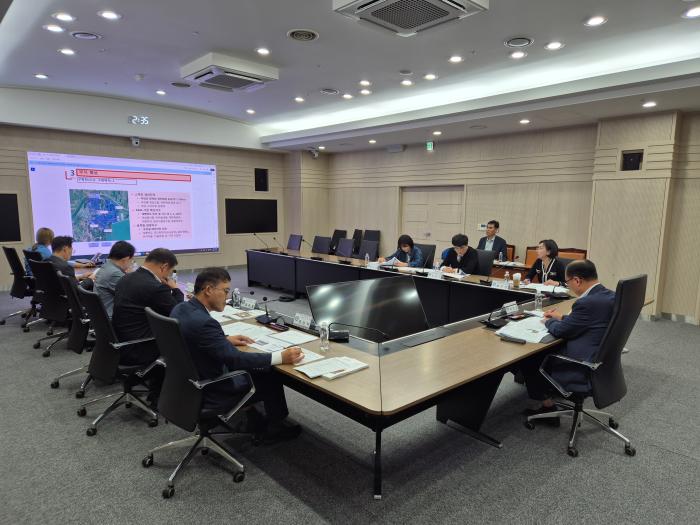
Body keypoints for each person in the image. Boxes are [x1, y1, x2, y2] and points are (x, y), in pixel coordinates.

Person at [171, 267, 304, 442]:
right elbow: (236, 359)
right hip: (212, 389)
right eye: (225, 291)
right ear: (208, 290)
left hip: (186, 384)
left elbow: (195, 337)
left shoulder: (181, 308)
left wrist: (223, 339)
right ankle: (274, 429)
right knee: (270, 374)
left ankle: (253, 417)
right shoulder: (205, 323)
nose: (227, 297)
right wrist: (281, 357)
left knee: (258, 368)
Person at [521, 260, 615, 421]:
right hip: (602, 361)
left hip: (581, 363)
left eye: (568, 282)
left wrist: (548, 321)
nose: (568, 286)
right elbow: (588, 320)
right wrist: (562, 317)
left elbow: (561, 331)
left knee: (528, 357)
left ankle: (547, 406)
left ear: (577, 280)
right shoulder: (609, 295)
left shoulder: (585, 302)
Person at [112, 248, 184, 367]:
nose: (168, 276)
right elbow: (179, 312)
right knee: (187, 336)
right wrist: (176, 289)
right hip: (139, 349)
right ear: (164, 267)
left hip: (121, 343)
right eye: (169, 272)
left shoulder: (125, 278)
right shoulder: (155, 287)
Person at [94, 241, 136, 317]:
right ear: (125, 259)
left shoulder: (107, 266)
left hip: (101, 314)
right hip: (112, 316)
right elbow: (133, 295)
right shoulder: (115, 273)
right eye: (132, 260)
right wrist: (131, 275)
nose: (132, 263)